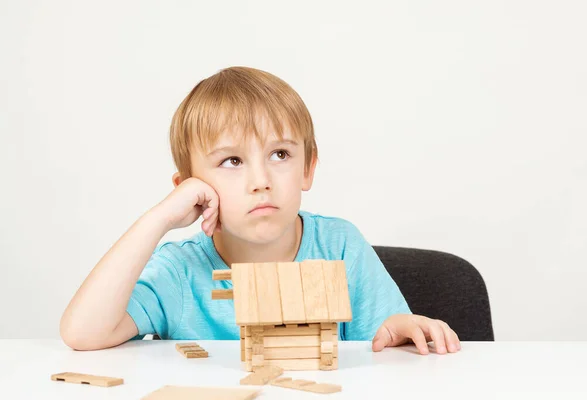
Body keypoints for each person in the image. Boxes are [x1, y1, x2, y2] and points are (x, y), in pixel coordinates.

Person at [60, 66, 461, 356]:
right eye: (232, 161)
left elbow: (385, 341)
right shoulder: (178, 272)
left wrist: (400, 331)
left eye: (280, 154)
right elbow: (82, 333)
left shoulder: (340, 245)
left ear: (307, 169)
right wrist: (158, 219)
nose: (261, 180)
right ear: (190, 189)